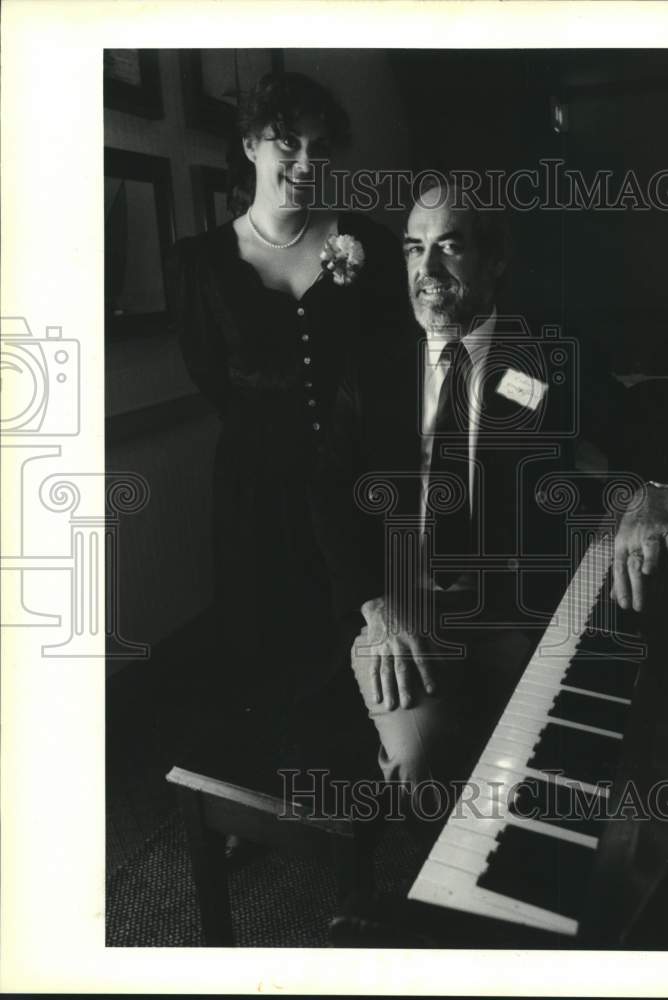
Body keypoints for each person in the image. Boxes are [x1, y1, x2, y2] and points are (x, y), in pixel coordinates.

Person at [312, 181, 668, 797]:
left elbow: (645, 423)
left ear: (495, 261)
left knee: (577, 750)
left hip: (522, 611)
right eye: (412, 249)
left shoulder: (547, 356)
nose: (426, 269)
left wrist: (653, 489)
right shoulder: (371, 368)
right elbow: (327, 491)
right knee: (419, 763)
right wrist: (378, 605)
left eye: (449, 247)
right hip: (409, 605)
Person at [171, 72, 410, 745]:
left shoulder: (369, 245)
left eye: (319, 147)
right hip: (255, 489)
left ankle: (372, 782)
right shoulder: (200, 264)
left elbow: (395, 364)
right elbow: (211, 376)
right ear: (249, 144)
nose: (305, 164)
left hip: (356, 482)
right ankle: (281, 799)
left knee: (364, 638)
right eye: (287, 144)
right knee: (268, 643)